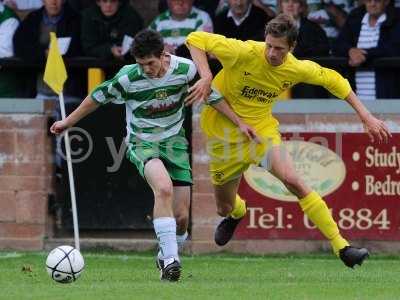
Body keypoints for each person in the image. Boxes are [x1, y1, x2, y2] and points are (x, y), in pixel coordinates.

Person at [185, 13, 391, 268]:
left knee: (294, 180)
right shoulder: (244, 51)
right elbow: (195, 39)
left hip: (261, 133)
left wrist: (365, 115)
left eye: (279, 48)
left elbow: (335, 80)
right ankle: (238, 212)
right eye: (269, 45)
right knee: (223, 208)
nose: (271, 52)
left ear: (291, 48)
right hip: (223, 136)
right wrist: (205, 75)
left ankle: (342, 247)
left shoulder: (295, 67)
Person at [50, 29, 256, 281]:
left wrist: (239, 122)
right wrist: (68, 122)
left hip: (175, 144)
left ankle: (166, 254)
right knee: (163, 188)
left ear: (164, 55)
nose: (146, 69)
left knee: (181, 219)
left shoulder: (185, 70)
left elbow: (212, 96)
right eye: (140, 63)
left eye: (150, 63)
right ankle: (171, 262)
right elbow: (96, 97)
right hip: (142, 143)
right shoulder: (128, 78)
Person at [333, 0, 400, 100]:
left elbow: (395, 47)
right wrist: (350, 51)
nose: (372, 3)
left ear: (386, 1)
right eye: (369, 0)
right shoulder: (355, 17)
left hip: (388, 95)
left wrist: (366, 55)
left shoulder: (396, 19)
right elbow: (338, 45)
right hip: (357, 96)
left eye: (377, 0)